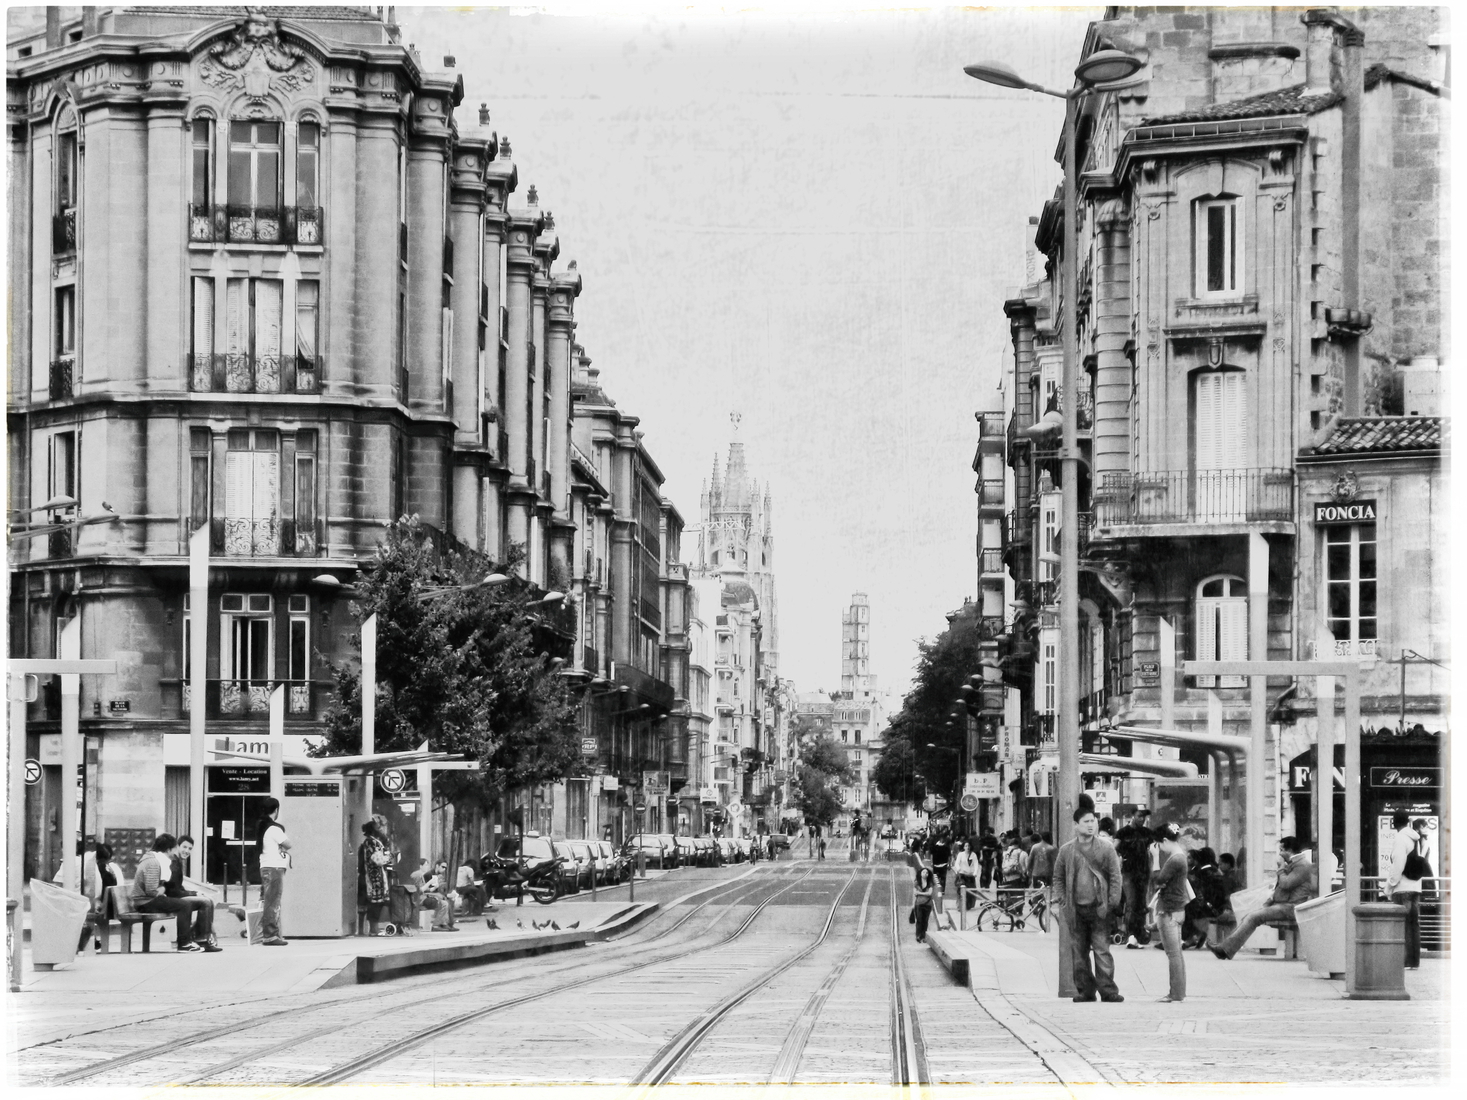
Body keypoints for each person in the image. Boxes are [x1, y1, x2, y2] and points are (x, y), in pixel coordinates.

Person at [1052, 807, 1124, 1003]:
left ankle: (1108, 991)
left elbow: (1116, 876)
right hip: (1075, 910)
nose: (1091, 825)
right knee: (1079, 953)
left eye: (1093, 821)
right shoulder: (1066, 850)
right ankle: (1085, 991)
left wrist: (1112, 901)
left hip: (1100, 908)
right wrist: (1063, 900)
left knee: (1102, 950)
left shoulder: (1106, 848)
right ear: (1076, 825)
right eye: (1086, 821)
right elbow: (1057, 877)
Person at [1210, 836, 1317, 960]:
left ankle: (1225, 949)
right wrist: (1270, 901)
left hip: (1292, 907)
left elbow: (1286, 884)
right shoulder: (1294, 864)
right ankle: (1226, 948)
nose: (1280, 853)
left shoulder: (1302, 865)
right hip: (1283, 904)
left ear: (1289, 850)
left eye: (1282, 850)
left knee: (1253, 917)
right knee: (1249, 915)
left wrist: (1281, 867)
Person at [130, 834, 216, 952]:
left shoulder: (158, 860)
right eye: (177, 848)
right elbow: (152, 891)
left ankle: (193, 940)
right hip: (145, 902)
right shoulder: (153, 862)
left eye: (190, 848)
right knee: (185, 905)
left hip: (149, 899)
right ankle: (185, 943)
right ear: (169, 849)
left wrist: (163, 889)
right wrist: (164, 889)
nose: (177, 851)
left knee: (188, 904)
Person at [1150, 822, 1189, 1002]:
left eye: (1160, 844)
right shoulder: (1181, 857)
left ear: (1165, 841)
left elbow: (1158, 879)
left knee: (1173, 954)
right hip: (1176, 909)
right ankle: (1178, 992)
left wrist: (1156, 857)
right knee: (1176, 953)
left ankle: (1175, 993)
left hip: (1170, 910)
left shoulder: (1175, 859)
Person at [166, 835, 221, 951]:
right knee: (205, 902)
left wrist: (194, 893)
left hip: (173, 896)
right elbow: (174, 891)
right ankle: (201, 940)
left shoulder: (177, 862)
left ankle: (203, 938)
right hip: (170, 899)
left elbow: (177, 888)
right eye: (184, 847)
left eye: (190, 849)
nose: (187, 851)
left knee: (208, 900)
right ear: (177, 846)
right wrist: (194, 894)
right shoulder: (174, 863)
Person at [1385, 812, 1424, 969]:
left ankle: (1406, 960)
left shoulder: (1400, 838)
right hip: (1416, 887)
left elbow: (1398, 864)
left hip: (1402, 888)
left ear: (1394, 823)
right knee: (1414, 924)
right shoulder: (1415, 838)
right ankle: (1414, 961)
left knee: (1403, 925)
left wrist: (1389, 886)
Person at [1115, 808, 1154, 948]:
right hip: (1128, 873)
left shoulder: (1147, 833)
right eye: (1139, 816)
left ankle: (1139, 932)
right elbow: (1114, 848)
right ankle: (1131, 934)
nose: (1142, 819)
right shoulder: (1123, 832)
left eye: (1144, 817)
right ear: (1132, 816)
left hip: (1143, 873)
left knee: (1141, 904)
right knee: (1131, 902)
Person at [256, 797, 291, 946]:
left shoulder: (261, 826)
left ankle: (270, 933)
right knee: (273, 901)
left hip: (265, 866)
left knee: (269, 900)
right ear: (276, 810)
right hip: (274, 868)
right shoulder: (274, 828)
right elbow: (288, 844)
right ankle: (270, 935)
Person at [1183, 847, 1227, 949]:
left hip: (1211, 908)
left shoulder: (1203, 872)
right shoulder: (1215, 870)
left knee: (1186, 908)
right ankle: (1195, 935)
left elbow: (1199, 894)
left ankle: (1192, 936)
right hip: (1218, 906)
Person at [358, 820, 392, 935]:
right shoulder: (372, 842)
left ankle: (371, 929)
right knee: (375, 903)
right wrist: (389, 857)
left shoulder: (371, 842)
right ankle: (373, 929)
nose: (381, 829)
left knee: (375, 903)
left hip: (374, 876)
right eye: (379, 827)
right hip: (374, 878)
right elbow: (378, 860)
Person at [911, 852, 937, 943]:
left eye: (926, 872)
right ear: (920, 873)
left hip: (927, 905)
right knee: (919, 920)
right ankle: (918, 936)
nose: (925, 873)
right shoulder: (917, 883)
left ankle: (924, 936)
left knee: (925, 921)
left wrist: (920, 893)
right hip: (918, 904)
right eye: (923, 872)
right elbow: (915, 893)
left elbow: (930, 893)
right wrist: (921, 894)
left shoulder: (930, 883)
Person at [952, 840, 980, 910]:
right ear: (963, 847)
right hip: (962, 875)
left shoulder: (973, 855)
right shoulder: (961, 854)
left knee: (971, 892)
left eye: (969, 846)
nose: (967, 847)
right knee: (961, 891)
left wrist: (975, 873)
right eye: (966, 846)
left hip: (970, 876)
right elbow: (957, 863)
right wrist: (959, 870)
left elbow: (976, 864)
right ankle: (960, 906)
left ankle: (968, 906)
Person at [929, 830, 952, 903]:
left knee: (943, 878)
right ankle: (936, 889)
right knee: (936, 878)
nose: (942, 840)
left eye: (943, 838)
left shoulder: (946, 847)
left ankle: (942, 890)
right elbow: (931, 855)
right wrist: (931, 862)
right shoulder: (935, 846)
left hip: (944, 864)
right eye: (941, 838)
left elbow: (949, 856)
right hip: (936, 864)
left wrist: (949, 864)